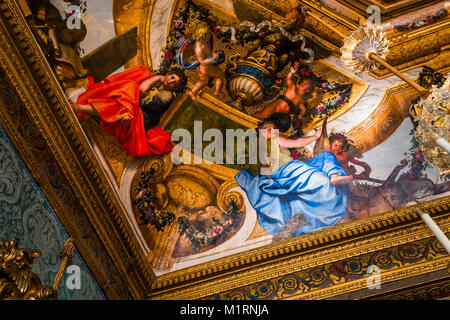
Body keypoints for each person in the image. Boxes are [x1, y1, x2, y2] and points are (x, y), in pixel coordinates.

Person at [235, 120, 352, 238]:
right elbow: (267, 166)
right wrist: (270, 181)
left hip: (291, 168)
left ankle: (334, 175)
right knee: (318, 178)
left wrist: (315, 136)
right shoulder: (264, 145)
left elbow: (296, 143)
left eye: (274, 129)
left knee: (325, 156)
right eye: (269, 129)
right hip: (287, 171)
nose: (273, 132)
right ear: (261, 130)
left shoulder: (274, 140)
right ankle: (331, 209)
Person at [70, 65, 187, 158]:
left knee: (125, 96)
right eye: (172, 78)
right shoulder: (157, 82)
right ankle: (83, 108)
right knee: (124, 95)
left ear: (175, 89)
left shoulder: (168, 97)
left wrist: (156, 78)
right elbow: (138, 90)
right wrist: (156, 78)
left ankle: (81, 108)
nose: (171, 82)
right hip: (132, 107)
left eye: (175, 84)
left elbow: (142, 96)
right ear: (169, 74)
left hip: (141, 119)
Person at [252, 61, 314, 129]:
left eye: (306, 84)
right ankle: (247, 119)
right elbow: (288, 78)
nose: (303, 84)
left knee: (281, 125)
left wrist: (303, 111)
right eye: (303, 82)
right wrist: (293, 70)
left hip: (283, 115)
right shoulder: (293, 87)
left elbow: (300, 114)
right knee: (263, 115)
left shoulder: (302, 101)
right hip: (276, 106)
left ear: (308, 90)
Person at [177, 21, 226, 101]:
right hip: (207, 68)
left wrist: (212, 55)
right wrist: (214, 59)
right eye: (208, 34)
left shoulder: (203, 42)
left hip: (203, 69)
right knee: (220, 76)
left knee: (204, 82)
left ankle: (193, 92)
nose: (209, 36)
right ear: (203, 34)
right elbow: (202, 61)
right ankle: (217, 92)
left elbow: (207, 54)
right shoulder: (199, 47)